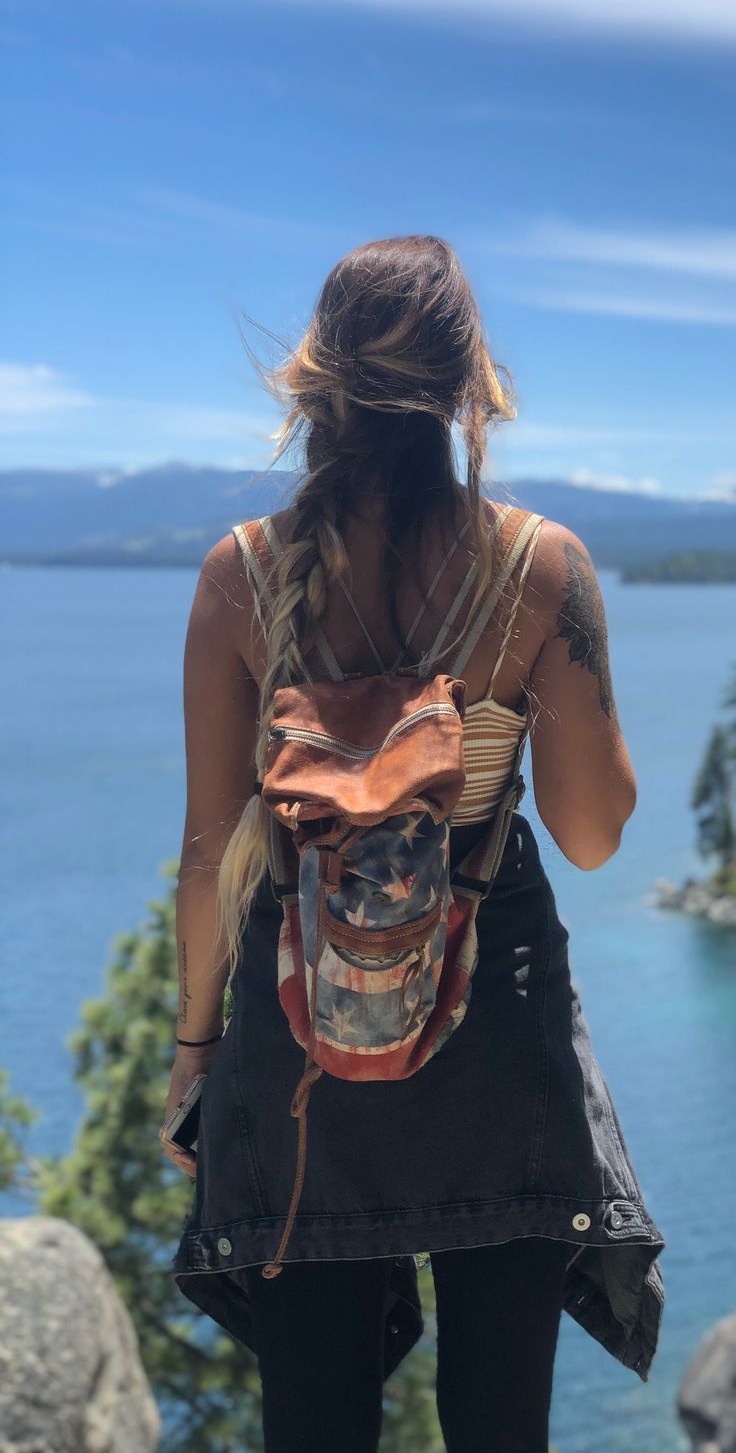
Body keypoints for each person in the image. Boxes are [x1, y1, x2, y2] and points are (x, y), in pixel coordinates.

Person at [164, 235, 665, 1452]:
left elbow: (208, 855)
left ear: (313, 378)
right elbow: (593, 837)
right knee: (500, 1424)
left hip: (298, 1039)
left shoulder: (240, 576)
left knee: (314, 1420)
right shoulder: (540, 567)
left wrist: (194, 1055)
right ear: (467, 388)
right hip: (496, 1016)